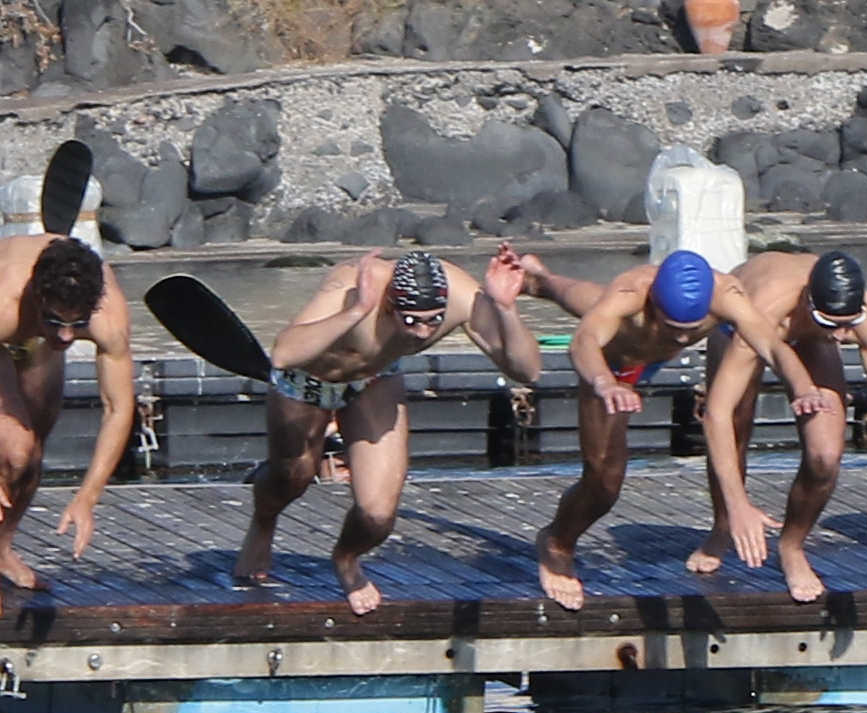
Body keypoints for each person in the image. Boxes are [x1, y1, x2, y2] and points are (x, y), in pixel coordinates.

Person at [239, 246, 534, 611]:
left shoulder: (459, 294)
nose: (423, 333)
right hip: (307, 380)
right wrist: (357, 310)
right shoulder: (352, 284)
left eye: (433, 321)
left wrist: (506, 309)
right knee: (293, 476)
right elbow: (284, 353)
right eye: (411, 321)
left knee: (377, 514)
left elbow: (527, 371)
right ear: (391, 304)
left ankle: (346, 558)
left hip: (374, 380)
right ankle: (264, 520)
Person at [488, 242, 755, 607]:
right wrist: (605, 382)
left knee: (736, 418)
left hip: (645, 336)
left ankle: (543, 282)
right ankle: (556, 542)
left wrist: (803, 387)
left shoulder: (725, 294)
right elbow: (584, 341)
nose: (681, 335)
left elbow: (773, 345)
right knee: (604, 481)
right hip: (616, 364)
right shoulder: (630, 292)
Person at [0, 229, 141, 620]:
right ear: (39, 298)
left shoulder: (106, 317)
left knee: (33, 453)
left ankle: (3, 549)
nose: (66, 336)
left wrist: (88, 497)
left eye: (76, 326)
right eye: (55, 321)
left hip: (31, 332)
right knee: (14, 451)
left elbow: (118, 408)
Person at [697, 248, 867, 586]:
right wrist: (739, 506)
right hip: (746, 321)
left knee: (825, 454)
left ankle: (792, 546)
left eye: (847, 326)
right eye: (832, 325)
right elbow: (715, 414)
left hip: (808, 334)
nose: (842, 337)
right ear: (810, 303)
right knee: (736, 423)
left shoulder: (863, 317)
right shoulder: (766, 310)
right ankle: (723, 525)